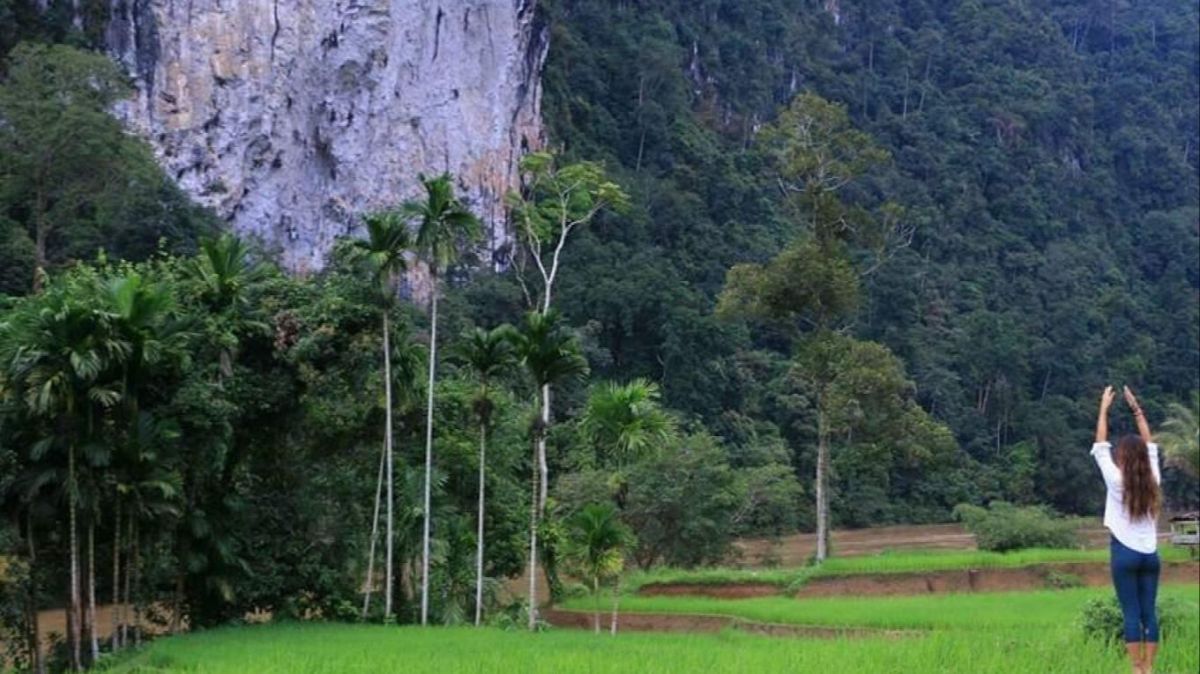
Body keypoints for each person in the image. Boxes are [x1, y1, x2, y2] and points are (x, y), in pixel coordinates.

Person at [1092, 385, 1163, 674]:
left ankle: (1136, 668)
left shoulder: (1115, 480)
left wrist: (1103, 408)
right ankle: (1150, 667)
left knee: (1131, 613)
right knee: (1149, 612)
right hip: (1150, 555)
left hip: (1124, 553)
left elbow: (1100, 446)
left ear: (1121, 456)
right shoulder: (1153, 479)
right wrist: (1137, 409)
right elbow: (1151, 444)